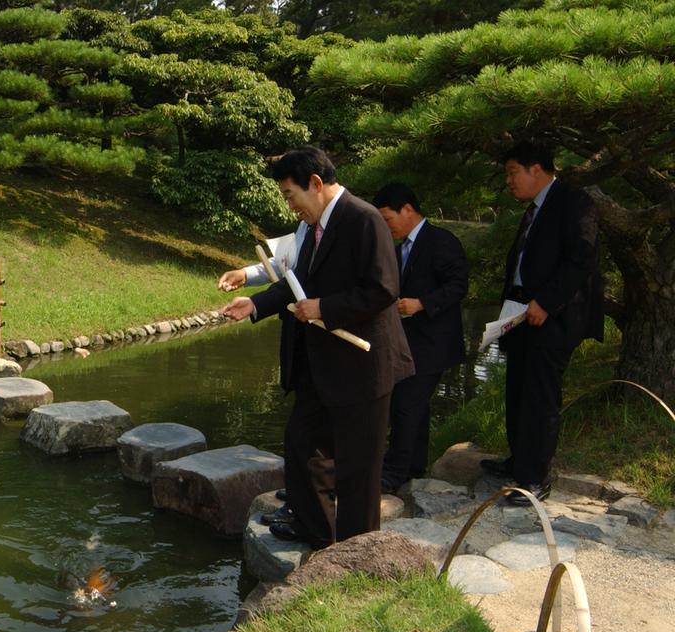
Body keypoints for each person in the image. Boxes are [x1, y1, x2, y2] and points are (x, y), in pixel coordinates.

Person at [221, 146, 414, 548]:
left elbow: (383, 290)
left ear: (315, 183)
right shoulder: (314, 227)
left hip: (363, 364)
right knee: (304, 446)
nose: (290, 206)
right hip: (322, 365)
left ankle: (356, 555)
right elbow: (296, 282)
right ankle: (318, 534)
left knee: (358, 469)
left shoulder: (363, 219)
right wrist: (254, 304)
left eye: (290, 195)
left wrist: (325, 307)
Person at [480, 140, 602, 505]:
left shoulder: (573, 202)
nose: (509, 181)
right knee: (517, 389)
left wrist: (546, 301)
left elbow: (581, 259)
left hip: (553, 315)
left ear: (537, 168)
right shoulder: (535, 208)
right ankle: (519, 460)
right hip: (520, 313)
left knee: (540, 395)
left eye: (512, 172)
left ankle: (534, 478)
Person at [372, 183, 469, 494]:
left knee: (406, 404)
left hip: (433, 342)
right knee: (415, 406)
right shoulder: (399, 248)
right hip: (406, 341)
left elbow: (458, 285)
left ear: (408, 210)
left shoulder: (441, 241)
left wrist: (422, 304)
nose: (386, 227)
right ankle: (413, 465)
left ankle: (395, 471)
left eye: (388, 219)